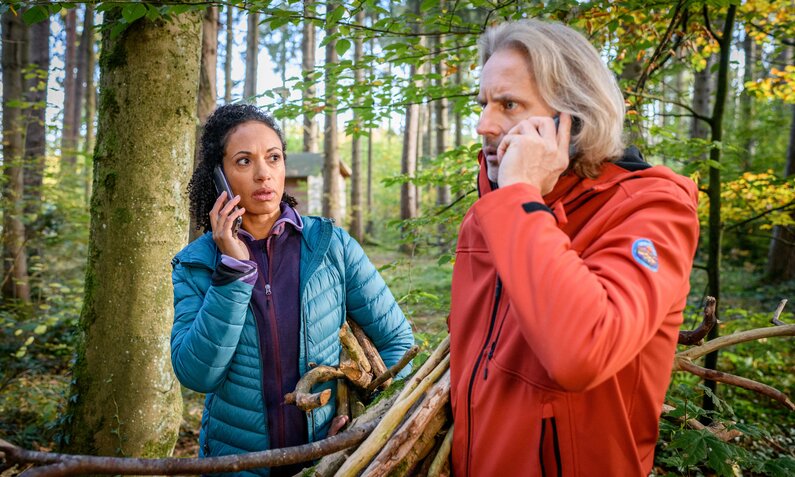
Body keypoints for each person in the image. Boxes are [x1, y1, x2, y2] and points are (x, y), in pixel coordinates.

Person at [448, 19, 699, 476]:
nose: (484, 124)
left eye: (509, 104)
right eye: (483, 103)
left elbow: (581, 354)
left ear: (573, 117)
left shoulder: (652, 210)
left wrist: (520, 195)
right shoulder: (488, 215)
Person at [170, 104, 414, 477]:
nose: (263, 173)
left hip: (327, 461)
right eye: (244, 161)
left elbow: (399, 344)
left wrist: (362, 414)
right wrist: (233, 269)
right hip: (237, 465)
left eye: (273, 157)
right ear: (218, 175)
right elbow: (196, 375)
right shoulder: (197, 263)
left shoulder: (330, 245)